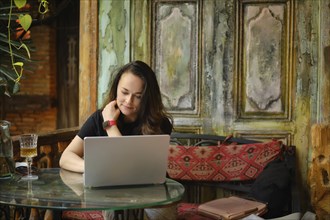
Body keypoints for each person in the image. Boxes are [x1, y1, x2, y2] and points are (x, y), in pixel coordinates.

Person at [59, 60, 173, 173]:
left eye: (138, 96)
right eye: (124, 92)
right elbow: (66, 158)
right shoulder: (99, 118)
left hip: (149, 190)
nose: (129, 101)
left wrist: (110, 125)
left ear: (147, 98)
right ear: (116, 88)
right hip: (109, 188)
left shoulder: (159, 123)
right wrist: (93, 168)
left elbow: (131, 169)